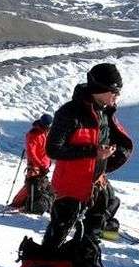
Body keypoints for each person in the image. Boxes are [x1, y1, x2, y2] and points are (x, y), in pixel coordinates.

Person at [42, 63, 133, 249]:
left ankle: (81, 260)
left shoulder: (105, 112)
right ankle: (43, 266)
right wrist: (94, 152)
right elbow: (52, 150)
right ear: (100, 89)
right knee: (59, 232)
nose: (117, 96)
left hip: (96, 183)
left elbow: (108, 138)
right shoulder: (69, 113)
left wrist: (113, 153)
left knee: (97, 224)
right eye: (115, 91)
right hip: (71, 186)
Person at [10, 114, 55, 213]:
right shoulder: (33, 134)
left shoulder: (45, 133)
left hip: (43, 165)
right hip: (35, 166)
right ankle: (18, 203)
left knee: (38, 185)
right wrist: (41, 165)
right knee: (32, 185)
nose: (48, 129)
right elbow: (31, 153)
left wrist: (48, 162)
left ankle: (20, 203)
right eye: (47, 127)